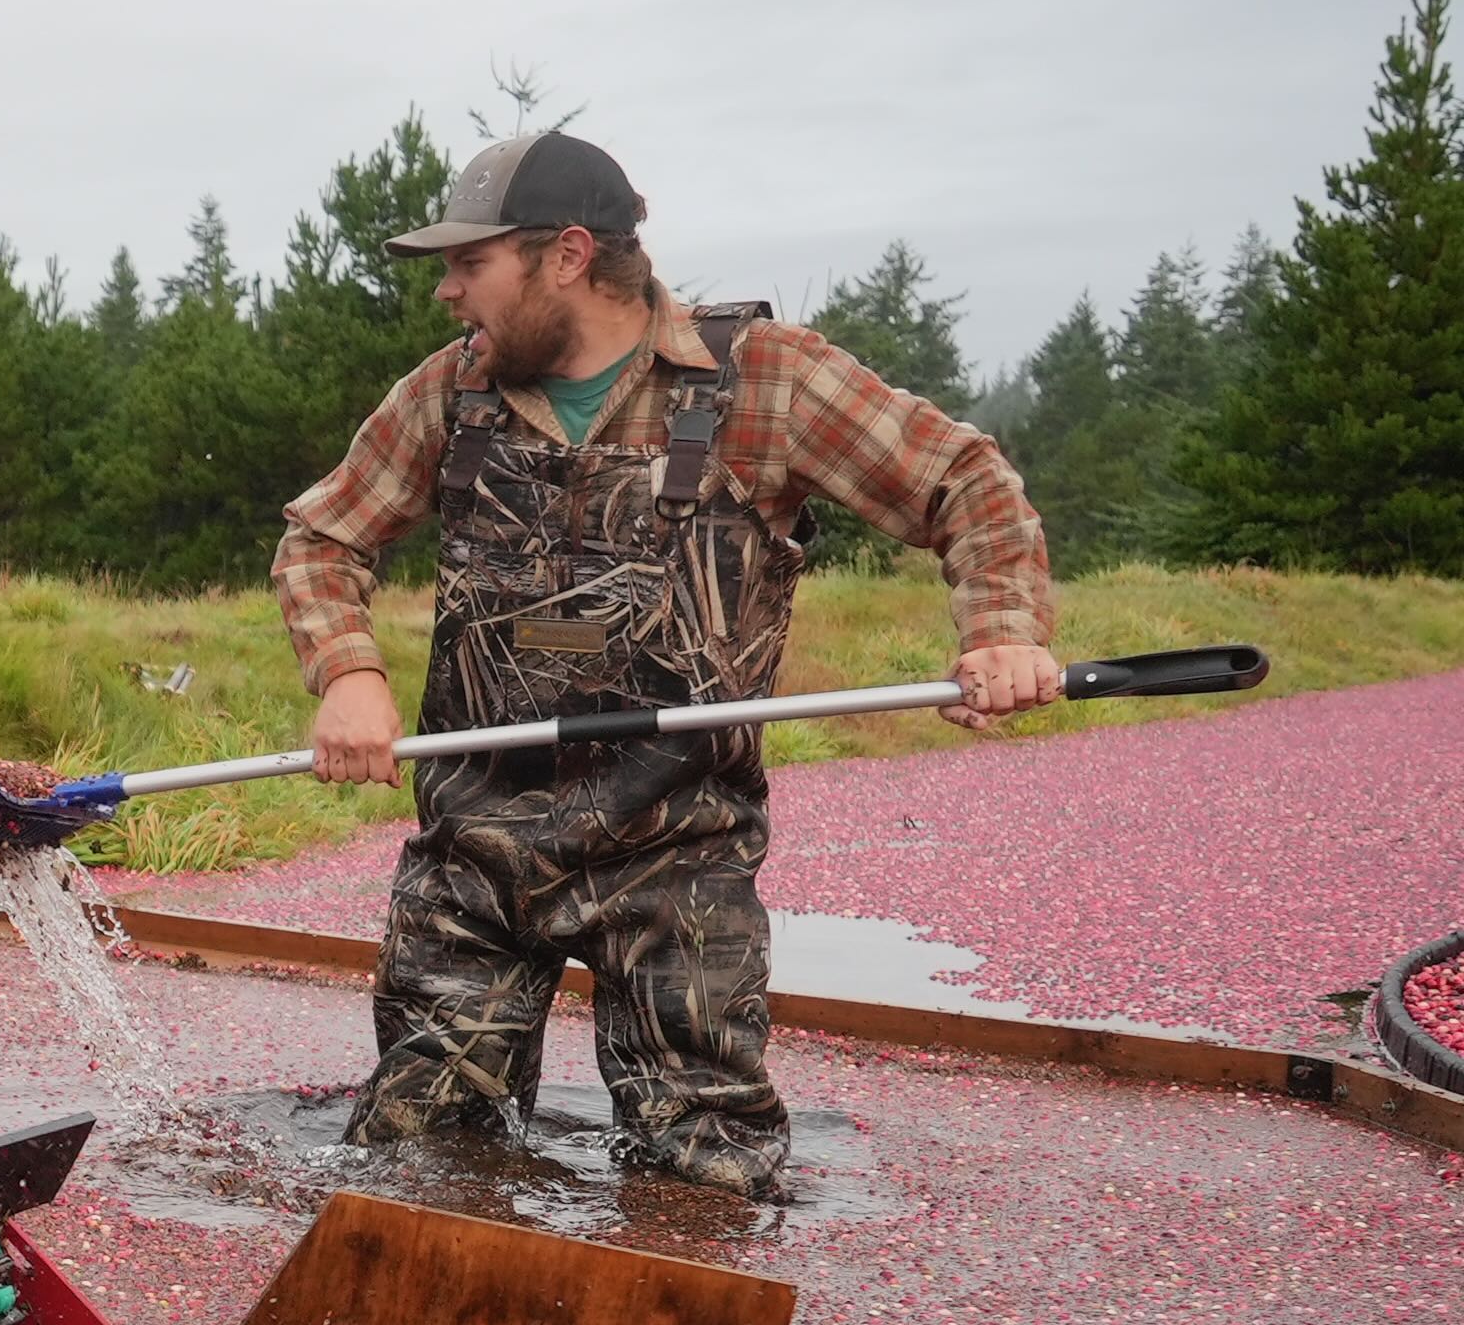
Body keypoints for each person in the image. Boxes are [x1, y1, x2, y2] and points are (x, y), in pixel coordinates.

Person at [269, 129, 1058, 1199]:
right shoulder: (449, 394)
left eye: (469, 264)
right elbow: (321, 537)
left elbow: (964, 481)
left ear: (565, 255)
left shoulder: (764, 381)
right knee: (417, 1166)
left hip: (679, 859)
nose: (447, 292)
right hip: (472, 857)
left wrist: (1001, 631)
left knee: (704, 1184)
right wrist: (349, 672)